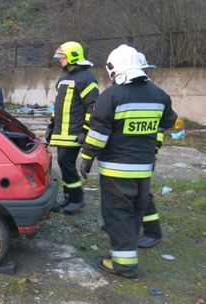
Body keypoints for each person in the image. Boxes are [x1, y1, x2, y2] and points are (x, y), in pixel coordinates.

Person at [79, 44, 177, 278]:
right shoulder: (160, 95)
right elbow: (163, 126)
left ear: (115, 69)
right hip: (143, 169)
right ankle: (127, 254)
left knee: (117, 214)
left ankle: (123, 264)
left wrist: (85, 158)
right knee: (135, 211)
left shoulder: (112, 96)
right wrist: (151, 149)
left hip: (116, 170)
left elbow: (98, 133)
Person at [46, 41, 99, 214]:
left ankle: (77, 199)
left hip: (74, 132)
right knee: (63, 163)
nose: (60, 60)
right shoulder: (63, 79)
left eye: (63, 56)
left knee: (65, 162)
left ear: (73, 57)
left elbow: (93, 107)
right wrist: (51, 126)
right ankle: (69, 198)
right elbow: (58, 106)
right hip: (61, 132)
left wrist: (85, 130)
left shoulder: (86, 78)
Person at [136, 52, 164, 248]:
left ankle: (153, 231)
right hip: (129, 153)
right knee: (128, 192)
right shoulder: (127, 91)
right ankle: (127, 225)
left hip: (142, 153)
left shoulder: (152, 94)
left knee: (142, 193)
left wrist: (153, 148)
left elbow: (159, 128)